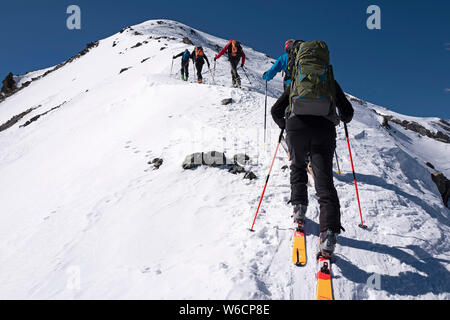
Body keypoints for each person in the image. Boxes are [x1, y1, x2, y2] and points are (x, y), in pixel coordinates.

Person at [270, 41, 354, 257]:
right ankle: (328, 236)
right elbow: (348, 113)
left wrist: (285, 125)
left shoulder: (296, 82)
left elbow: (275, 110)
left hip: (296, 128)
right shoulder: (330, 83)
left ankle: (299, 209)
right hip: (324, 132)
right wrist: (340, 116)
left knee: (297, 166)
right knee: (325, 184)